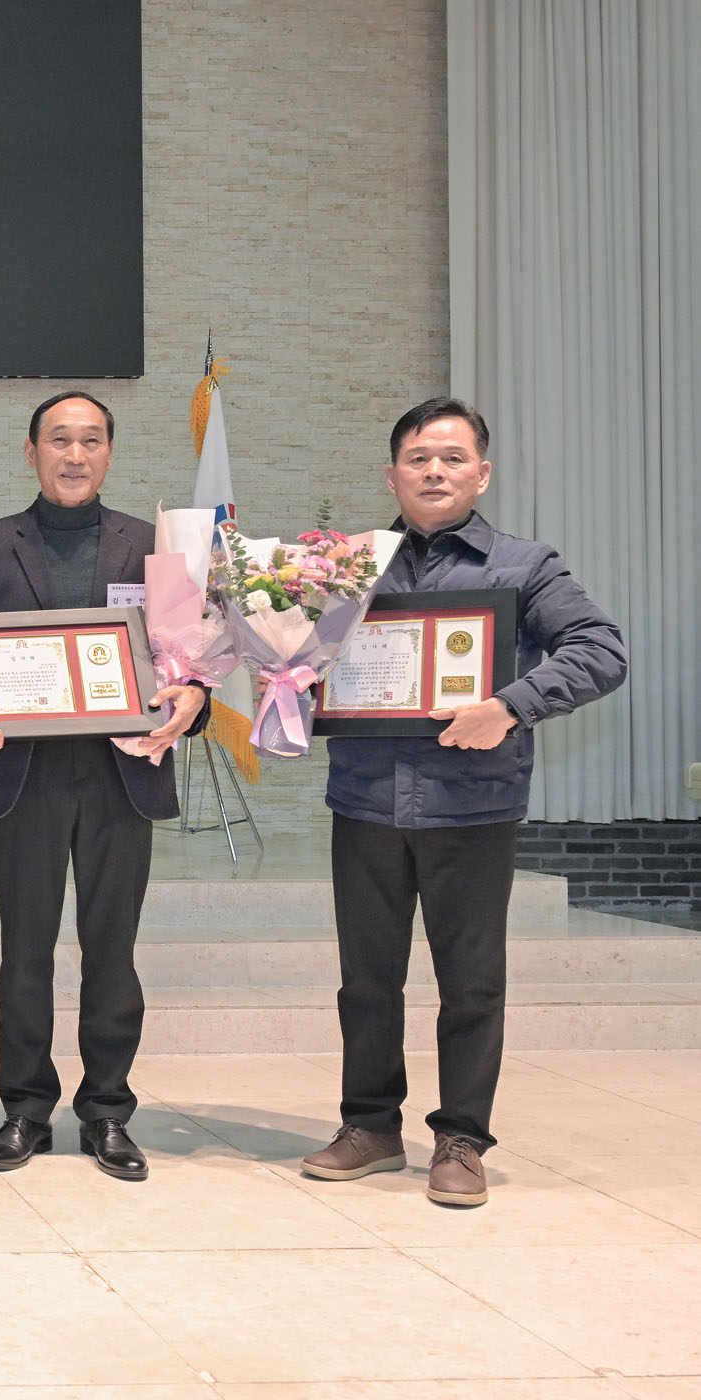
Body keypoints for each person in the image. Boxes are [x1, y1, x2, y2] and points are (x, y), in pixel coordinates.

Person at [299, 397, 625, 1207]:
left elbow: (599, 649)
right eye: (418, 458)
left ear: (482, 473)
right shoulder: (346, 568)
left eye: (452, 458)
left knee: (471, 984)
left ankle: (461, 1139)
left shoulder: (525, 565)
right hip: (366, 802)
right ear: (392, 475)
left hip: (473, 807)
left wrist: (509, 705)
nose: (434, 471)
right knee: (365, 981)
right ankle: (369, 1127)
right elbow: (301, 662)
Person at [0, 391, 205, 1182]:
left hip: (120, 775)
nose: (75, 454)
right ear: (31, 453)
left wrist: (191, 702)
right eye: (59, 440)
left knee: (112, 951)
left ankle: (106, 1112)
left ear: (110, 453)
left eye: (91, 440)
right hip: (19, 778)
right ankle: (25, 1109)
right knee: (24, 951)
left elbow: (187, 663)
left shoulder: (154, 548)